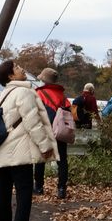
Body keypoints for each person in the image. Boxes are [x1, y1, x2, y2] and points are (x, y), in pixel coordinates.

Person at [0, 60, 57, 221]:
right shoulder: (24, 92)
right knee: (24, 190)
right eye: (17, 68)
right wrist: (45, 146)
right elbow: (32, 122)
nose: (22, 69)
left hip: (0, 151)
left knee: (2, 191)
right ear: (11, 76)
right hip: (20, 151)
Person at [33, 67, 71, 199]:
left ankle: (38, 187)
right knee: (62, 160)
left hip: (45, 130)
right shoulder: (62, 95)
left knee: (40, 159)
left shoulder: (39, 93)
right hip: (60, 131)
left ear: (43, 80)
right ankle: (61, 189)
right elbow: (69, 112)